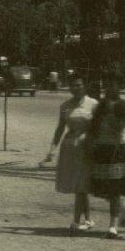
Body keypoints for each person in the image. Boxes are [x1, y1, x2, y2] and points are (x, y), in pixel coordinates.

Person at [43, 74, 97, 234]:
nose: (76, 88)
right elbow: (60, 128)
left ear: (84, 86)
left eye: (79, 85)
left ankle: (76, 221)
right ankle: (88, 220)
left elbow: (99, 127)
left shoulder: (93, 104)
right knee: (79, 186)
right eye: (73, 86)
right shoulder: (65, 106)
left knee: (82, 185)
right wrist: (52, 149)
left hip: (87, 147)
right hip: (70, 148)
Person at [88, 80, 125, 239]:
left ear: (119, 87)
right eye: (108, 85)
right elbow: (93, 127)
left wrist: (111, 111)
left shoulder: (124, 106)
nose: (110, 88)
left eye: (113, 85)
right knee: (103, 189)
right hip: (102, 148)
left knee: (114, 189)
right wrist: (91, 143)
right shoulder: (99, 106)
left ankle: (112, 227)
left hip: (118, 149)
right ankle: (124, 206)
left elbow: (119, 128)